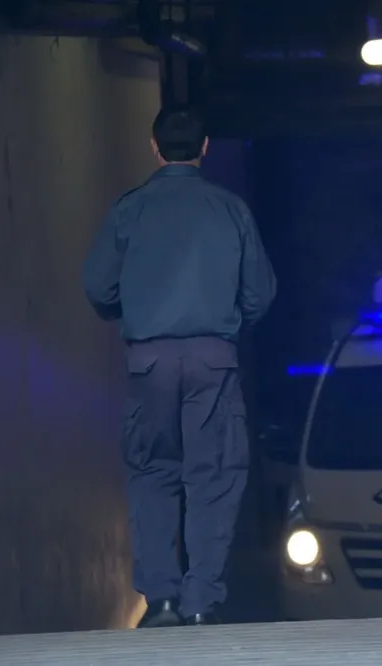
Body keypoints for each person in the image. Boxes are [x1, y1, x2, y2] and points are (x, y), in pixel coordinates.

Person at [82, 106, 277, 628]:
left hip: (149, 361)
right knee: (213, 474)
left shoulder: (130, 210)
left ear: (154, 146)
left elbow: (98, 287)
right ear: (205, 147)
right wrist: (225, 321)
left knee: (152, 473)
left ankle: (162, 599)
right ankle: (200, 601)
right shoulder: (231, 209)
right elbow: (259, 294)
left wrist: (137, 308)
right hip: (214, 358)